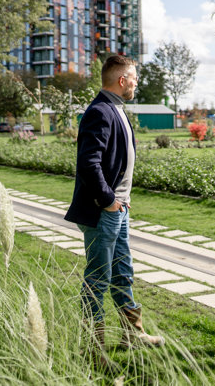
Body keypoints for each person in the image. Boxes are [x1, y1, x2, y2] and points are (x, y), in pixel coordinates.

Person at [64, 55, 164, 372]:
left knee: (123, 273)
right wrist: (108, 199)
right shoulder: (99, 112)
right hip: (102, 212)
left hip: (118, 210)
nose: (136, 83)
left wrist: (120, 198)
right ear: (122, 80)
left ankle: (132, 335)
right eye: (133, 78)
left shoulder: (114, 108)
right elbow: (88, 163)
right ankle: (92, 350)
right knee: (97, 280)